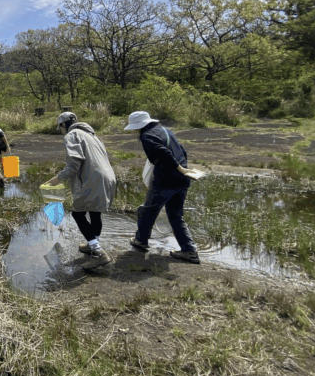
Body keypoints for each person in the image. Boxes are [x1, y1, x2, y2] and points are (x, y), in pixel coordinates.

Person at [125, 111, 202, 264]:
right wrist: (184, 170)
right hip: (183, 180)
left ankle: (141, 241)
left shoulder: (146, 136)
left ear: (139, 126)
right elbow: (182, 151)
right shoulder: (166, 130)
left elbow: (163, 152)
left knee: (148, 211)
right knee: (175, 215)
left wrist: (179, 169)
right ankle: (190, 251)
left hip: (165, 180)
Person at [42, 112, 117, 271]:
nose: (61, 131)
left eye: (60, 128)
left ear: (63, 125)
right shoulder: (93, 136)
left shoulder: (72, 135)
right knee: (95, 212)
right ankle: (93, 244)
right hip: (108, 176)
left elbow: (74, 165)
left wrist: (57, 178)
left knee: (78, 213)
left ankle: (99, 253)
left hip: (93, 178)